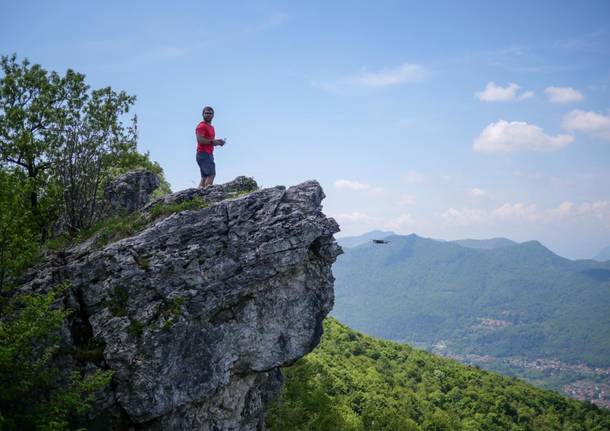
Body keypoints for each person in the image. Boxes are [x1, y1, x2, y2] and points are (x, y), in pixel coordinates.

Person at [195, 106, 226, 188]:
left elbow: (209, 140)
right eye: (206, 113)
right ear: (202, 114)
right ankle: (207, 195)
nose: (208, 115)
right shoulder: (201, 126)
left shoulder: (211, 127)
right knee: (211, 174)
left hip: (208, 153)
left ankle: (198, 196)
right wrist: (213, 142)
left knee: (204, 177)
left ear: (213, 115)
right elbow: (200, 140)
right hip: (203, 153)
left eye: (210, 113)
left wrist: (218, 142)